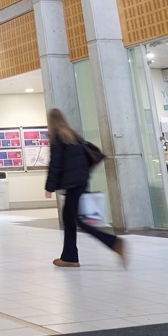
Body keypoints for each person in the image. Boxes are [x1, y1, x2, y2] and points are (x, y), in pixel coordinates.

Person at [44, 109, 125, 268]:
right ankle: (70, 257)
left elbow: (55, 164)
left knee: (76, 221)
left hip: (73, 184)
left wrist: (49, 187)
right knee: (71, 220)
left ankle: (114, 243)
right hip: (80, 182)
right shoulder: (73, 135)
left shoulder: (57, 137)